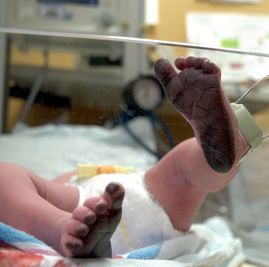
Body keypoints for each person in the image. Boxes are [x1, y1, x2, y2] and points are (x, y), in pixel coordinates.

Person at [0, 56, 251, 258]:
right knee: (186, 167)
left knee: (7, 176)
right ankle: (228, 144)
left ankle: (59, 228)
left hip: (78, 207)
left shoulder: (56, 195)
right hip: (138, 209)